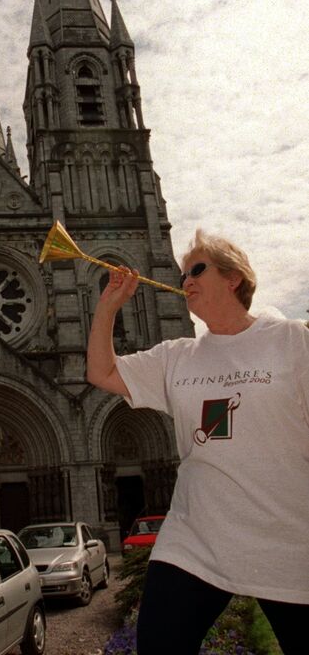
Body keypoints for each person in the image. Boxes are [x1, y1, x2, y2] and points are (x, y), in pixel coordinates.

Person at [86, 230, 309, 655]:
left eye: (198, 270)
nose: (185, 279)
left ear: (234, 278)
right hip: (196, 540)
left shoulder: (291, 340)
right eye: (183, 272)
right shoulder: (176, 355)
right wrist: (107, 308)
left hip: (286, 540)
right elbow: (102, 372)